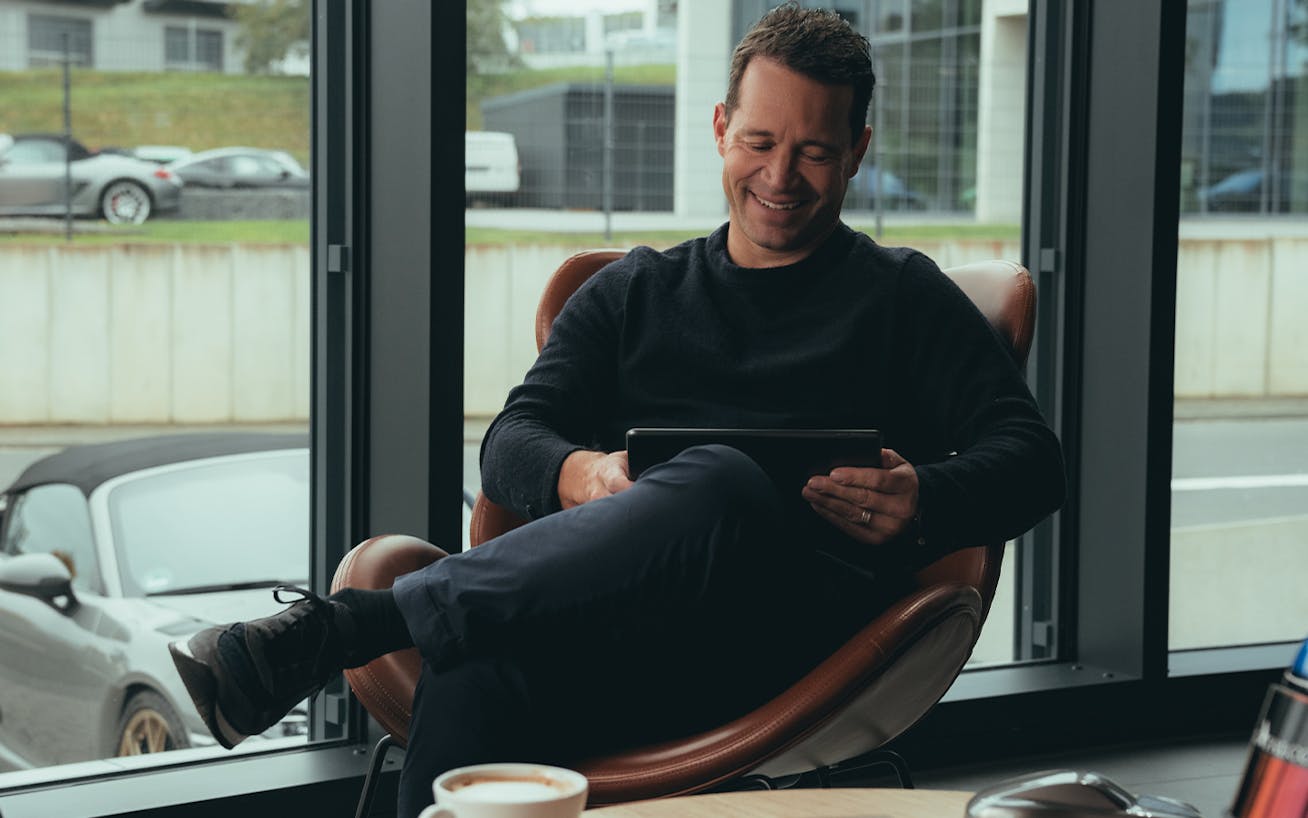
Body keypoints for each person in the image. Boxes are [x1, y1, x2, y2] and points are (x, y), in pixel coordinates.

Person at [169, 5, 1066, 817]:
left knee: (718, 480)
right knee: (475, 668)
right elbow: (512, 442)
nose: (780, 176)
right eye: (759, 141)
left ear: (858, 151)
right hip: (618, 636)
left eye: (816, 152)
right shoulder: (636, 291)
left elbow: (1033, 459)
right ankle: (364, 634)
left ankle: (346, 629)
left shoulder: (903, 298)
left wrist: (927, 498)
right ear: (720, 130)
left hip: (791, 653)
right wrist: (584, 474)